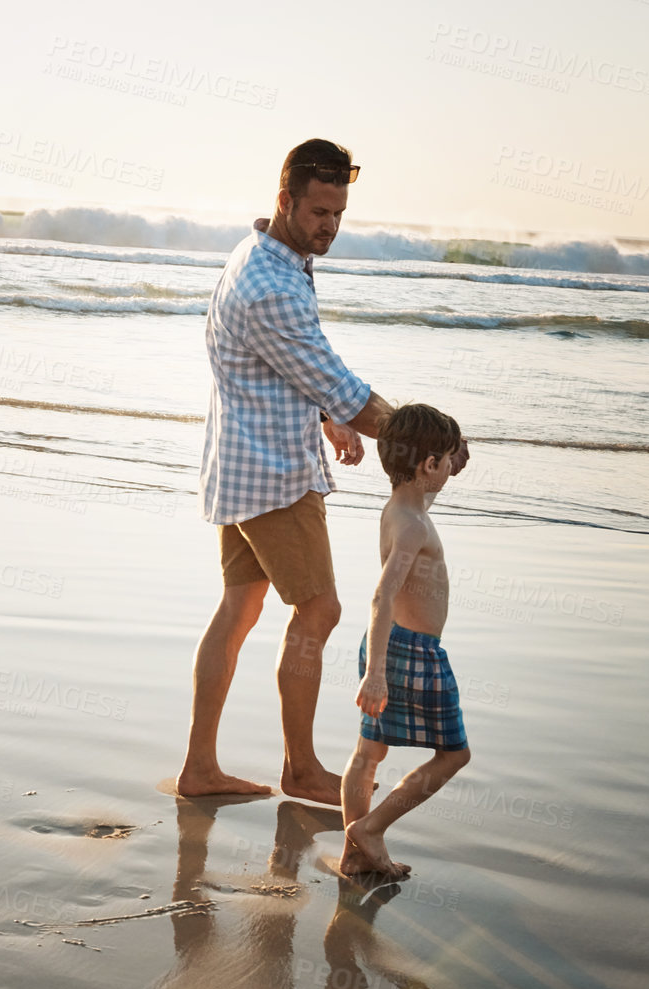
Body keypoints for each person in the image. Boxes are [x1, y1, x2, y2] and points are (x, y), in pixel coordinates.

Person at [180, 138, 397, 802]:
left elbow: (303, 362)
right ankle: (300, 768)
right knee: (320, 609)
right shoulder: (271, 283)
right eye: (318, 212)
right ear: (286, 201)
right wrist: (418, 434)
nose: (329, 226)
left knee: (240, 607)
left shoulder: (265, 255)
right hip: (274, 476)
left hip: (240, 466)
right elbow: (339, 382)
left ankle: (200, 769)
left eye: (338, 213)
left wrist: (330, 416)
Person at [339, 404, 473, 880]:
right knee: (455, 753)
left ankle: (355, 855)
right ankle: (370, 829)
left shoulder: (403, 506)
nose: (451, 469)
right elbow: (382, 595)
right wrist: (376, 674)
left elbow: (425, 487)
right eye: (444, 461)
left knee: (368, 754)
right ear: (427, 465)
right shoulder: (415, 525)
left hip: (388, 643)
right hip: (411, 652)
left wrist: (448, 452)